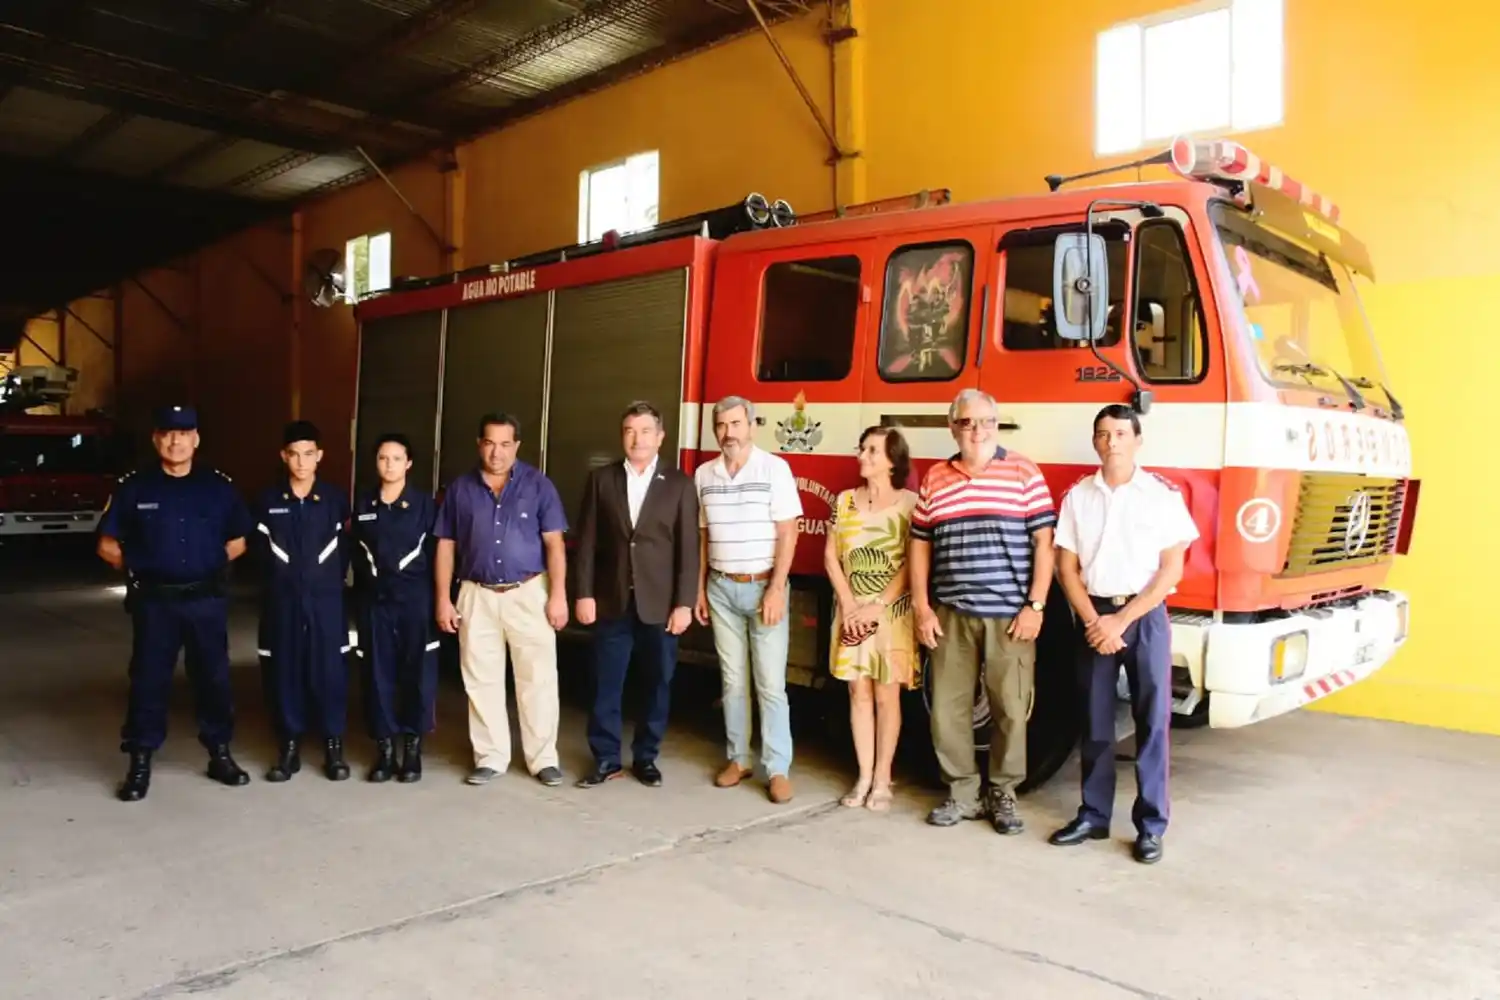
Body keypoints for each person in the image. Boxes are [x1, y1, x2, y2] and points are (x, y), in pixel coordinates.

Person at [1048, 404, 1199, 865]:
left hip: (1145, 619)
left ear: (1138, 440)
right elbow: (1065, 566)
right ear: (1095, 441)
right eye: (1103, 434)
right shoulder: (1078, 497)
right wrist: (1096, 621)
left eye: (1120, 433)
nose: (1111, 441)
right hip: (1095, 619)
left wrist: (1122, 621)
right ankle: (1093, 816)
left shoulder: (1161, 495)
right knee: (1095, 723)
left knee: (1152, 724)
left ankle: (1151, 827)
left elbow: (1172, 567)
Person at [909, 388, 1056, 834]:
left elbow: (1044, 546)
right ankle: (960, 794)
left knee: (1010, 709)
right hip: (950, 613)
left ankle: (1003, 795)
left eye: (986, 422)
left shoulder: (1024, 473)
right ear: (953, 427)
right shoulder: (935, 478)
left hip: (1009, 616)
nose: (977, 431)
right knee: (946, 711)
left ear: (997, 425)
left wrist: (1035, 605)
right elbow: (919, 544)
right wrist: (921, 606)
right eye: (968, 422)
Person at [96, 404, 254, 801]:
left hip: (205, 601)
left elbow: (239, 541)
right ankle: (140, 762)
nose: (175, 440)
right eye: (167, 433)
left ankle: (220, 753)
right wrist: (143, 567)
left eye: (184, 433)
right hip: (155, 604)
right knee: (149, 682)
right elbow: (107, 545)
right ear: (156, 439)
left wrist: (209, 564)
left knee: (214, 680)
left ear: (196, 439)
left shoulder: (218, 487)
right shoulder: (135, 487)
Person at [434, 413, 569, 787]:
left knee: (538, 679)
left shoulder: (538, 485)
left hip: (528, 594)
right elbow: (446, 546)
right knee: (481, 679)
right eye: (490, 443)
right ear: (480, 443)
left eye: (505, 444)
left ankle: (543, 759)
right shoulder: (460, 489)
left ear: (517, 446)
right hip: (475, 595)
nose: (497, 452)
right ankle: (490, 756)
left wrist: (558, 596)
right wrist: (443, 599)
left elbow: (555, 545)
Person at [572, 401, 699, 789]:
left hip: (660, 606)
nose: (637, 438)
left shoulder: (678, 484)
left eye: (645, 431)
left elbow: (688, 549)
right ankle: (606, 759)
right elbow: (587, 541)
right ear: (622, 436)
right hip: (612, 602)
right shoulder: (601, 480)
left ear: (660, 437)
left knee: (656, 684)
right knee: (606, 684)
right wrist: (584, 593)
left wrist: (684, 603)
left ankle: (646, 757)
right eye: (630, 430)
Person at [693, 395, 802, 804]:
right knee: (733, 681)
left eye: (736, 424)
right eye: (721, 425)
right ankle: (739, 759)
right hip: (721, 588)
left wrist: (776, 588)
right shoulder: (704, 475)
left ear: (752, 426)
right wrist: (701, 587)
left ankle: (778, 768)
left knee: (771, 684)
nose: (728, 433)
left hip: (763, 587)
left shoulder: (775, 469)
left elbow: (788, 533)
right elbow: (703, 535)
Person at [823, 425, 919, 812]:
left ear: (893, 461)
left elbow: (913, 562)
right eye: (862, 448)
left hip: (891, 615)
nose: (862, 456)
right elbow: (831, 556)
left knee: (886, 693)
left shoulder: (910, 503)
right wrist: (848, 605)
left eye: (872, 451)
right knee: (857, 692)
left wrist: (877, 605)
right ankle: (863, 775)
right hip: (850, 611)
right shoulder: (845, 500)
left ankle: (883, 778)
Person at [251, 420, 353, 783]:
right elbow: (257, 556)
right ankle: (289, 746)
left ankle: (333, 746)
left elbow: (348, 551)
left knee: (330, 672)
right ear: (284, 456)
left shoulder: (336, 500)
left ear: (319, 456)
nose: (301, 462)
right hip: (282, 602)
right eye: (293, 454)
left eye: (308, 454)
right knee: (285, 671)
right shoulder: (266, 501)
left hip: (326, 602)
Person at [350, 432, 439, 783]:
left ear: (409, 463)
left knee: (417, 673)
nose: (389, 465)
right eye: (383, 458)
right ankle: (384, 749)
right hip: (375, 602)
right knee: (377, 673)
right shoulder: (364, 505)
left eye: (396, 458)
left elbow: (437, 554)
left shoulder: (424, 505)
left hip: (415, 601)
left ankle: (412, 750)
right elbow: (355, 554)